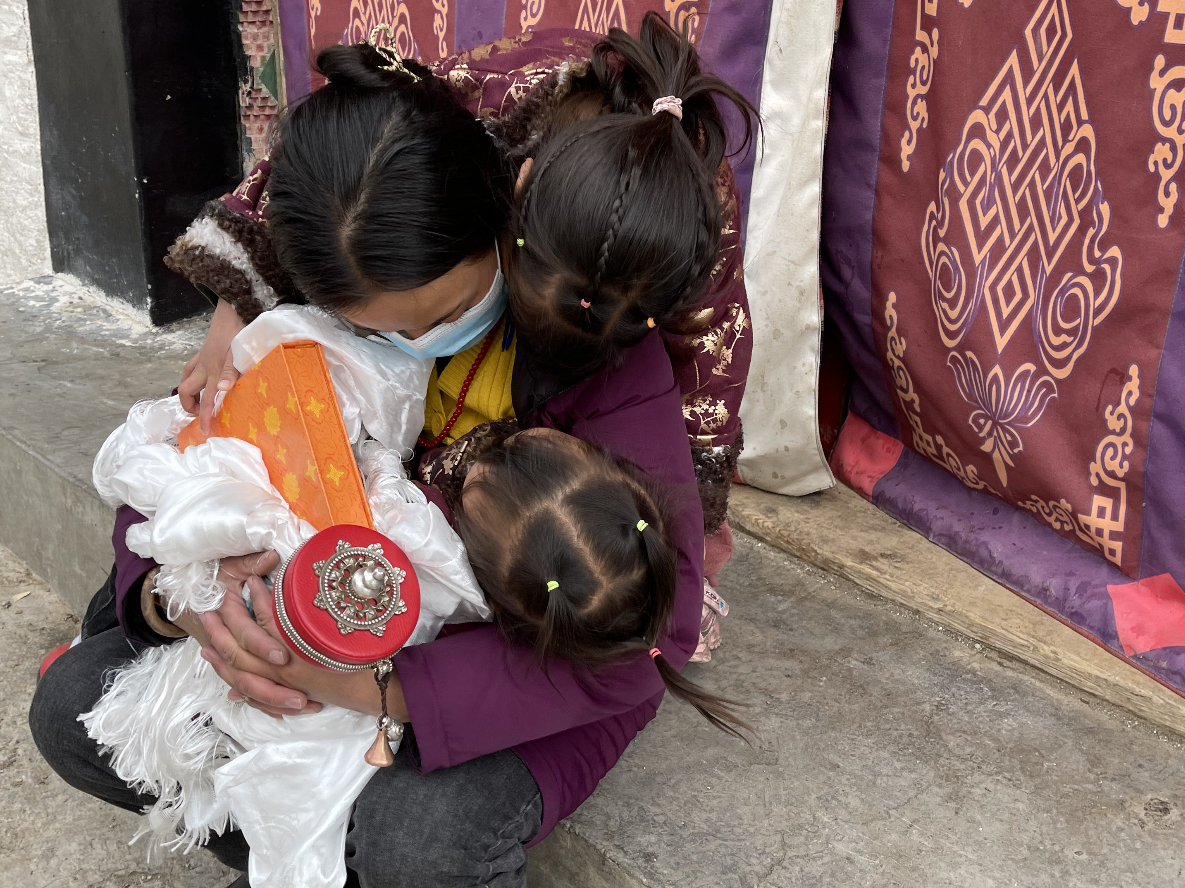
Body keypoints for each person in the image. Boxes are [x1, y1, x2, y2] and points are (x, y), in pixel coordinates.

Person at [30, 17, 751, 888]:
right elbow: (183, 471)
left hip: (513, 653)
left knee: (419, 837)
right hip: (307, 624)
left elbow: (644, 641)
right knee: (75, 708)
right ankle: (305, 856)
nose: (408, 347)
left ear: (505, 210)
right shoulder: (301, 313)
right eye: (369, 329)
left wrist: (371, 690)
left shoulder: (593, 342)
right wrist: (188, 607)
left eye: (441, 313)